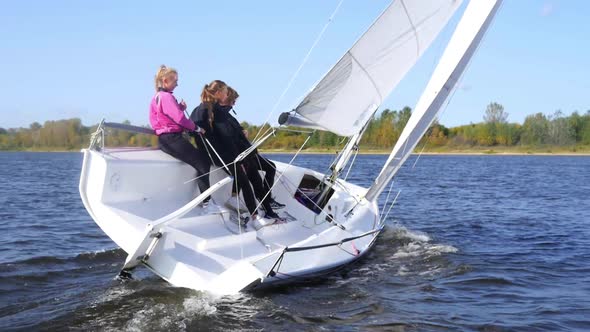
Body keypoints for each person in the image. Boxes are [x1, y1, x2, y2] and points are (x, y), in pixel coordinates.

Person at [190, 80, 281, 228]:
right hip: (224, 154)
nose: (227, 95)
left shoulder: (200, 109)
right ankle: (255, 218)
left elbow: (192, 128)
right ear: (218, 93)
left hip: (218, 153)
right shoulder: (216, 111)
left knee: (245, 181)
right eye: (225, 92)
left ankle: (256, 215)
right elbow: (226, 136)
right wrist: (239, 158)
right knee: (245, 182)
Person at [149, 65, 212, 204]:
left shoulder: (158, 97)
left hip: (166, 139)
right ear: (165, 81)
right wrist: (197, 128)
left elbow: (166, 116)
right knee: (203, 163)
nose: (177, 84)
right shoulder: (166, 97)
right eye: (175, 81)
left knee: (200, 162)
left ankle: (205, 201)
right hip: (171, 139)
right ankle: (207, 203)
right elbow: (180, 119)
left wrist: (180, 108)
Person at [219, 87, 285, 209]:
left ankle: (265, 198)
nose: (234, 104)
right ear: (227, 99)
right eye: (233, 101)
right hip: (241, 155)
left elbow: (236, 133)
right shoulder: (223, 116)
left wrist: (242, 132)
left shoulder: (227, 116)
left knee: (269, 167)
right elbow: (230, 137)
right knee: (258, 171)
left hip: (246, 153)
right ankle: (263, 200)